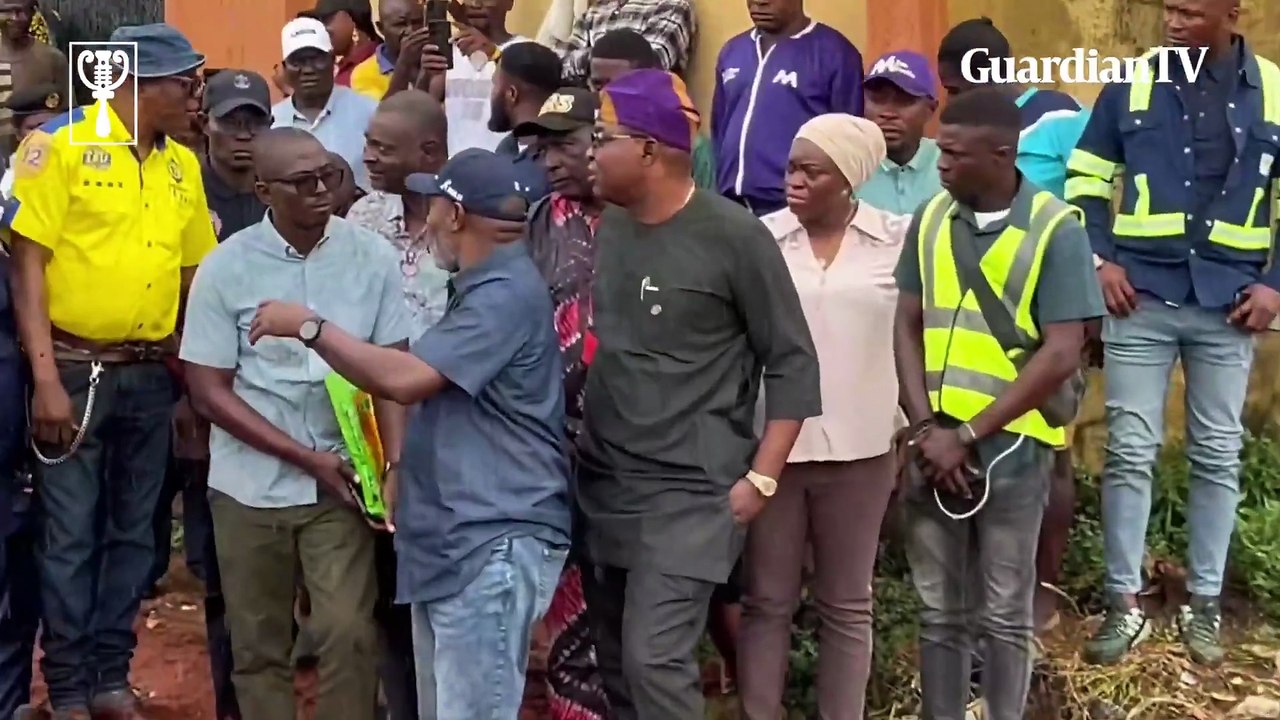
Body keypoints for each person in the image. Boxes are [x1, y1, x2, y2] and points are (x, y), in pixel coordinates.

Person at [248, 147, 571, 720]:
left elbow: (406, 379)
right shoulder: (485, 286)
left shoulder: (502, 295)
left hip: (491, 540)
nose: (429, 219)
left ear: (455, 214)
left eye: (435, 204)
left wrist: (310, 327)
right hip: (460, 538)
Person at [579, 68, 820, 720]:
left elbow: (792, 361)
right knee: (618, 668)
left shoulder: (735, 237)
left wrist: (762, 479)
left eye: (602, 138)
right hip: (607, 484)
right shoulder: (614, 226)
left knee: (655, 661)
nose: (588, 152)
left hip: (690, 492)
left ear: (648, 149)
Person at [6, 23, 217, 720]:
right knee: (69, 534)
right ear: (136, 84)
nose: (195, 95)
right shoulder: (57, 147)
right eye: (183, 82)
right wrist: (44, 380)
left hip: (151, 375)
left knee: (135, 533)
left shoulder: (183, 165)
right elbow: (27, 267)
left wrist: (191, 383)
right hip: (73, 372)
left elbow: (194, 279)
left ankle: (109, 677)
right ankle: (67, 686)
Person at [1072, 0, 1280, 668]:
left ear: (1231, 13)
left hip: (1229, 303)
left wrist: (1275, 284)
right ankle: (1124, 603)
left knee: (1218, 454)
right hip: (1141, 297)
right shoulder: (1131, 85)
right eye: (1169, 9)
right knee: (1129, 452)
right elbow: (1085, 178)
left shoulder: (1273, 89)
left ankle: (1205, 604)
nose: (1173, 22)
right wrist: (1101, 261)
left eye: (1191, 11)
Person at [179, 127, 410, 720]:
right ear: (264, 191)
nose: (321, 190)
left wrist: (394, 466)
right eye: (302, 182)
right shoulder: (225, 268)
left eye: (328, 175)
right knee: (259, 646)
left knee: (348, 633)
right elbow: (208, 391)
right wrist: (305, 459)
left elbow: (392, 372)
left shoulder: (372, 256)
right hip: (249, 488)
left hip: (344, 483)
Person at [892, 88, 1104, 720]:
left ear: (1003, 155)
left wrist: (967, 435)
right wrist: (926, 428)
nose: (941, 164)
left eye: (956, 155)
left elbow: (1062, 352)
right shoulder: (931, 218)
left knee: (1006, 613)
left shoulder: (1057, 229)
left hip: (1012, 449)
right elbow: (906, 323)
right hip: (933, 445)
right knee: (940, 612)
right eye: (941, 151)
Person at [740, 114, 908, 720]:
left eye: (812, 171)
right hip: (774, 452)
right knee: (767, 600)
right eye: (791, 168)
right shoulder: (761, 239)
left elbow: (917, 335)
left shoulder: (898, 240)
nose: (795, 181)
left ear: (849, 179)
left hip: (864, 449)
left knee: (846, 604)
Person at [937, 16, 1093, 631]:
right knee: (982, 449)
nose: (952, 100)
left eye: (959, 86)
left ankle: (1043, 590)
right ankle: (988, 592)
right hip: (970, 319)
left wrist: (1085, 298)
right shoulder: (962, 139)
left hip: (1041, 318)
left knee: (1050, 451)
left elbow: (1092, 194)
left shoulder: (1056, 115)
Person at [512, 85, 613, 720]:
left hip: (639, 448)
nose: (550, 161)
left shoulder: (644, 217)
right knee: (567, 601)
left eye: (565, 146)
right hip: (555, 443)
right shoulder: (537, 223)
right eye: (542, 149)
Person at [183, 67, 275, 720]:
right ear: (205, 124)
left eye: (254, 122)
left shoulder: (284, 191)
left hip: (276, 397)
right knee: (218, 566)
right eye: (230, 122)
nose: (242, 136)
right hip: (202, 397)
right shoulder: (184, 190)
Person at [712, 0, 863, 216]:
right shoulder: (732, 51)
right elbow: (720, 127)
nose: (759, 2)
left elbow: (848, 142)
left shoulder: (835, 53)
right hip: (733, 208)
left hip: (796, 209)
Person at [349, 89, 451, 341]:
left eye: (384, 149)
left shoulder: (473, 220)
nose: (367, 158)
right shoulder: (365, 214)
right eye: (368, 144)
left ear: (429, 152)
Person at [588, 29, 715, 190]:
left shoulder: (689, 145)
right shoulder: (585, 137)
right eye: (597, 85)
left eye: (618, 85)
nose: (604, 93)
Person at [272, 16, 377, 191]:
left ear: (332, 59)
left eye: (316, 59)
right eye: (297, 62)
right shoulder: (272, 121)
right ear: (285, 67)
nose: (308, 69)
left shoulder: (369, 113)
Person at [856, 50, 942, 215]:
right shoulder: (847, 169)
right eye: (877, 99)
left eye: (904, 100)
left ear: (930, 109)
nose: (888, 113)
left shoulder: (951, 165)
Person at [555, 0, 695, 86]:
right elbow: (559, 66)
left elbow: (646, 65)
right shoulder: (596, 10)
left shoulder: (671, 5)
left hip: (640, 113)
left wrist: (586, 63)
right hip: (587, 109)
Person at [0, 0, 66, 151]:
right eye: (7, 11)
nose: (15, 18)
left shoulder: (52, 59)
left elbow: (68, 117)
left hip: (41, 155)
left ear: (33, 13)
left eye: (22, 11)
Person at [0, 81, 61, 198]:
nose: (49, 132)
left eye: (55, 125)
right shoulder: (9, 187)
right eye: (36, 128)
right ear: (18, 133)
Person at [306, 0, 381, 87]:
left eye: (325, 20)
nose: (320, 28)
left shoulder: (379, 64)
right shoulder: (337, 66)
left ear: (353, 20)